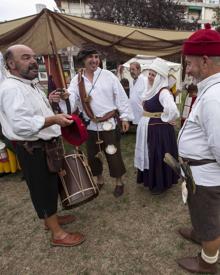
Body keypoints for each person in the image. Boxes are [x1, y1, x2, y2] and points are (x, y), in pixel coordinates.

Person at [0, 44, 85, 247]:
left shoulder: (27, 84)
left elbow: (31, 111)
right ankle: (57, 234)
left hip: (43, 145)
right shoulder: (11, 88)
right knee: (42, 189)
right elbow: (21, 124)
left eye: (33, 57)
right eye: (25, 57)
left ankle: (50, 220)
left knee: (50, 185)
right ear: (11, 63)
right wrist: (54, 120)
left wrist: (49, 101)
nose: (33, 62)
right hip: (33, 148)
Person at [51, 46, 133, 197]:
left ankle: (119, 182)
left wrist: (125, 116)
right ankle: (99, 180)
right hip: (90, 125)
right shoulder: (77, 79)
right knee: (93, 156)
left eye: (96, 57)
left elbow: (121, 96)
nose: (94, 60)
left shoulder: (108, 75)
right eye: (91, 57)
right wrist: (65, 97)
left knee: (113, 154)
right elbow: (73, 101)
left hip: (108, 124)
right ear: (83, 60)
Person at [177, 24, 220, 274]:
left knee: (210, 221)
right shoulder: (210, 90)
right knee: (202, 213)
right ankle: (200, 234)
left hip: (207, 178)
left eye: (189, 63)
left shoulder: (214, 97)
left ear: (205, 60)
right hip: (200, 175)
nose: (187, 69)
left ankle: (208, 263)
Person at [134, 58, 179, 195]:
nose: (150, 77)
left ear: (159, 77)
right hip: (149, 128)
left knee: (158, 156)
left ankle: (161, 183)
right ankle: (150, 180)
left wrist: (165, 118)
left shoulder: (163, 92)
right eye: (150, 73)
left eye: (153, 75)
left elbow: (173, 110)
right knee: (149, 154)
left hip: (159, 131)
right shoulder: (150, 90)